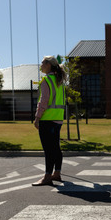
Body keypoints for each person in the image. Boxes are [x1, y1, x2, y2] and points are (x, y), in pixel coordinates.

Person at [32, 55, 67, 186]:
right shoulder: (60, 81)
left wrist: (37, 117)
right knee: (55, 147)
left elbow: (44, 101)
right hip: (58, 118)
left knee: (48, 149)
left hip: (47, 119)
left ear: (48, 65)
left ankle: (47, 176)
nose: (40, 65)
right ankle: (56, 174)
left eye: (42, 63)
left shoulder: (46, 80)